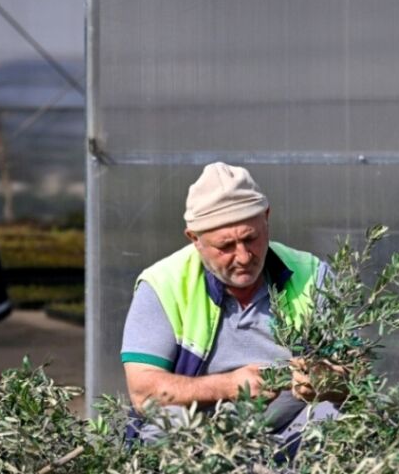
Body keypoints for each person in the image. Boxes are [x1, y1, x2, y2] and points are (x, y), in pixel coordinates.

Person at [120, 162, 340, 446]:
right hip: (201, 438)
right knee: (166, 421)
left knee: (335, 416)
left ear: (266, 217)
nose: (244, 256)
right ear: (194, 239)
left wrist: (324, 378)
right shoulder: (163, 285)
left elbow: (356, 375)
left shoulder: (312, 275)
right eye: (226, 246)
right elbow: (143, 392)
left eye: (251, 238)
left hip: (289, 434)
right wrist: (228, 385)